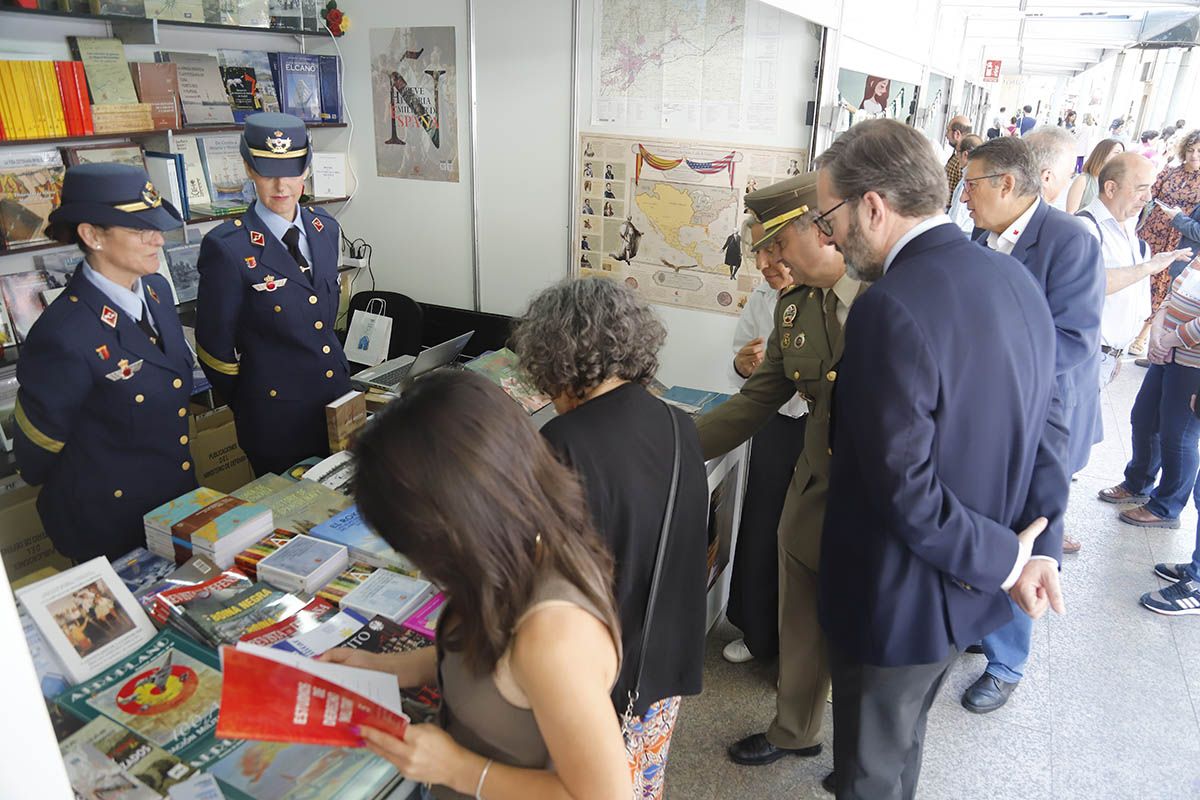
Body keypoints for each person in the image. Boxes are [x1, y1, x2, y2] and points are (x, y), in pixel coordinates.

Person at [813, 119, 1069, 800]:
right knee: (901, 750)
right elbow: (1049, 429)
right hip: (964, 598)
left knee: (870, 773)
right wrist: (1036, 549)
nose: (826, 234)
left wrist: (1011, 559)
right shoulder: (1014, 280)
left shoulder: (889, 308)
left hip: (894, 601)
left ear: (873, 205)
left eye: (828, 215)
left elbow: (906, 492)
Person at [323, 371, 631, 800]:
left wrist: (457, 769)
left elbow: (605, 797)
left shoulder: (554, 638)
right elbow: (484, 661)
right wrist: (383, 669)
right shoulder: (522, 546)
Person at [510, 278, 708, 800]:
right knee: (640, 782)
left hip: (596, 674)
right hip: (660, 665)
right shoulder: (678, 424)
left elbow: (538, 570)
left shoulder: (563, 442)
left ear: (557, 359)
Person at [695, 173, 862, 795]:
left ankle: (866, 754)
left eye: (771, 246)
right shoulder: (796, 310)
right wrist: (672, 451)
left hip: (878, 498)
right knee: (799, 616)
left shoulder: (883, 297)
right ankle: (796, 730)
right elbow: (758, 400)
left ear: (814, 229)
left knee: (862, 626)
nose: (767, 262)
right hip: (814, 485)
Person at [959, 136, 1104, 711]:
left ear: (1006, 185)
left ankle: (1008, 661)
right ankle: (976, 624)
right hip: (980, 414)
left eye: (970, 185)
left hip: (1035, 418)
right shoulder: (979, 238)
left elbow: (1073, 341)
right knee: (981, 522)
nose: (962, 196)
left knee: (1028, 531)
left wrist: (990, 375)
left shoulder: (1068, 241)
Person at [13, 163, 198, 562]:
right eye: (139, 230)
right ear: (92, 235)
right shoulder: (64, 333)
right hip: (111, 523)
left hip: (174, 503)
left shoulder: (157, 290)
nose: (157, 240)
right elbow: (36, 456)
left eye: (157, 227)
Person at [195, 112, 350, 476]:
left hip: (337, 401)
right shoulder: (227, 248)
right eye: (267, 172)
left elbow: (322, 323)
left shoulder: (324, 228)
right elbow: (213, 349)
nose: (281, 185)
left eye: (292, 171)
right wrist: (253, 400)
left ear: (307, 170)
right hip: (277, 420)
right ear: (249, 169)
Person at [717, 212, 806, 666]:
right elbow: (740, 364)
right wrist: (743, 367)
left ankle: (807, 654)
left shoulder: (832, 294)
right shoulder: (763, 296)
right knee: (762, 524)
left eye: (773, 252)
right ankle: (755, 632)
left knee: (809, 538)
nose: (766, 265)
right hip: (774, 423)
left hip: (818, 429)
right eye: (758, 254)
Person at [1086, 155, 1193, 523]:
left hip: (1182, 354)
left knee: (1178, 434)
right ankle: (1137, 484)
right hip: (1125, 349)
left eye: (1151, 188)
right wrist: (1162, 319)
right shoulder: (1098, 226)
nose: (1149, 197)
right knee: (1142, 419)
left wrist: (1171, 334)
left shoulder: (1126, 225)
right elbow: (1178, 281)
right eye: (1142, 187)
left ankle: (1165, 505)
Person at [1135, 130, 1200, 349]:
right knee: (1139, 277)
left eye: (1199, 151)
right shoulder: (1170, 172)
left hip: (1178, 240)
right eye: (1191, 150)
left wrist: (1179, 217)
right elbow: (1148, 194)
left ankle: (1142, 336)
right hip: (1152, 233)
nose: (1194, 155)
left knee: (1161, 290)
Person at [1066, 138, 1124, 214]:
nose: (1120, 157)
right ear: (1103, 154)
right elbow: (1070, 212)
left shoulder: (1115, 182)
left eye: (1122, 153)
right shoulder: (1083, 180)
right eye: (1116, 152)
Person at [948, 133, 983, 232]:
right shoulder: (974, 176)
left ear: (965, 154)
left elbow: (958, 214)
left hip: (961, 230)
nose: (956, 157)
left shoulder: (969, 179)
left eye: (957, 152)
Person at [943, 115, 972, 205]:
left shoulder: (961, 162)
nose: (946, 135)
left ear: (957, 134)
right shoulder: (956, 157)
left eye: (948, 130)